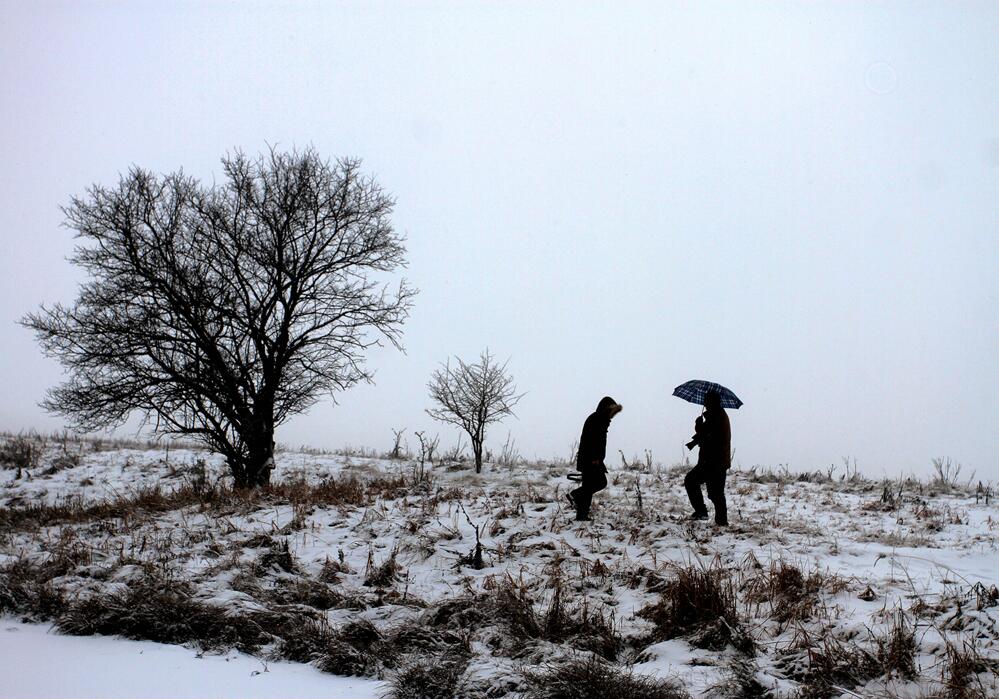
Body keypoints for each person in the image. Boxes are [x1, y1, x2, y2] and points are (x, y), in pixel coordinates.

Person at [567, 396, 623, 521]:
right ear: (606, 409)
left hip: (591, 458)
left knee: (588, 486)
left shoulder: (599, 419)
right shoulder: (597, 419)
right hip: (591, 459)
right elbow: (591, 440)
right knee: (599, 483)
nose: (612, 416)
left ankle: (582, 516)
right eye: (611, 412)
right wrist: (595, 458)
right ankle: (575, 495)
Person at [683, 390, 732, 526]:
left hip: (714, 462)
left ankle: (716, 519)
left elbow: (710, 437)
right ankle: (712, 517)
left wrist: (699, 426)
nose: (704, 403)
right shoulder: (715, 415)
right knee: (711, 491)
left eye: (706, 400)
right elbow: (706, 434)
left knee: (714, 492)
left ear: (712, 401)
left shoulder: (717, 416)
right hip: (713, 461)